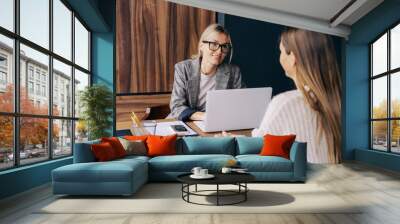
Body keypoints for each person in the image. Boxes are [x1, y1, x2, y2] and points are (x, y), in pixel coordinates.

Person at [251, 28, 342, 164]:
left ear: (293, 58)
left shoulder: (285, 103)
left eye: (281, 51)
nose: (280, 56)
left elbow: (257, 148)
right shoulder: (342, 100)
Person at [169, 24, 245, 121]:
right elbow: (176, 107)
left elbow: (241, 103)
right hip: (184, 122)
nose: (219, 51)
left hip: (215, 125)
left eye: (224, 46)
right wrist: (204, 116)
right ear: (201, 46)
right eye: (214, 44)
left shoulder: (233, 72)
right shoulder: (183, 68)